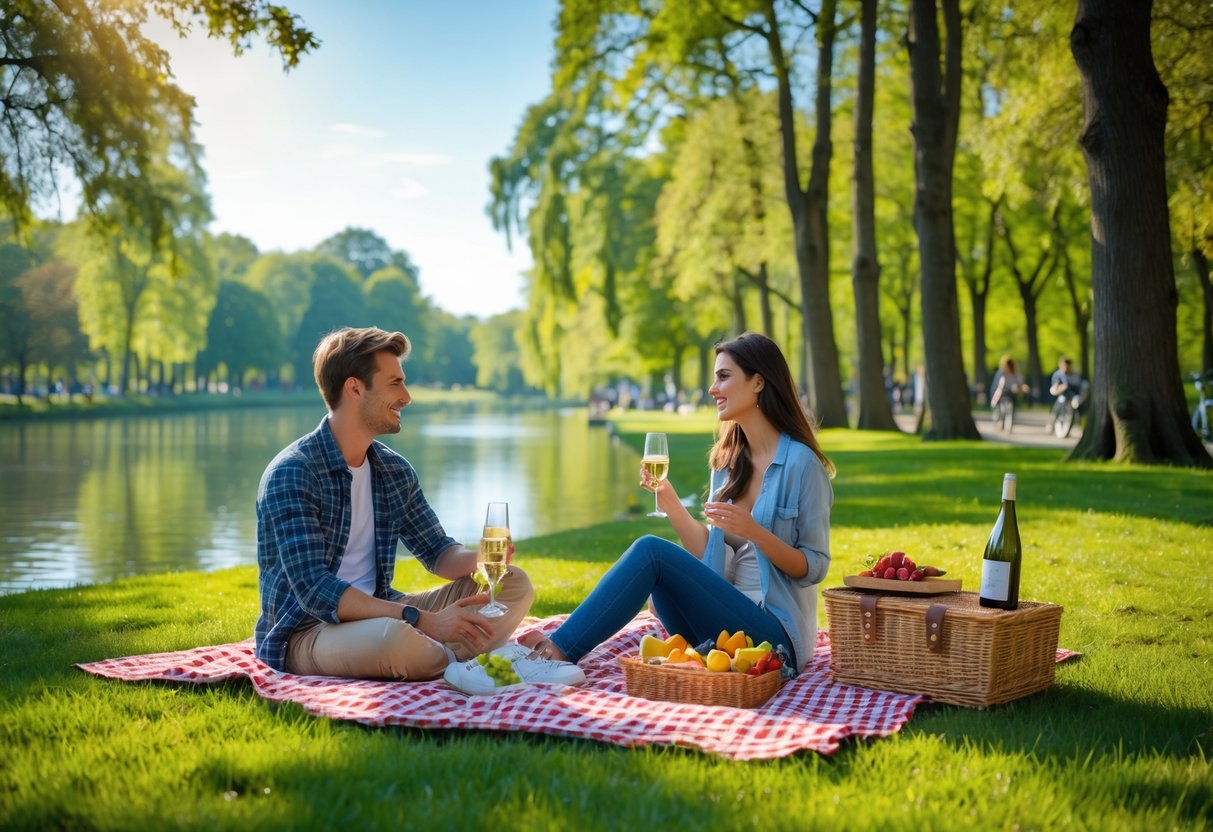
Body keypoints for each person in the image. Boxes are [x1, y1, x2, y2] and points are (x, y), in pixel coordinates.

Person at [521, 332, 834, 675]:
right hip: (722, 635)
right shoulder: (727, 462)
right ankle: (558, 647)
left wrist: (755, 532)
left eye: (723, 376)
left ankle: (557, 653)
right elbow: (710, 558)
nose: (713, 388)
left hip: (774, 641)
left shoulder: (801, 465)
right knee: (657, 570)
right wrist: (670, 501)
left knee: (651, 551)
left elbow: (814, 567)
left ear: (758, 381)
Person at [255, 326, 550, 684]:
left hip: (384, 612)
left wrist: (484, 560)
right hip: (308, 632)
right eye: (395, 383)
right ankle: (468, 660)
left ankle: (447, 659)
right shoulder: (293, 473)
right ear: (354, 388)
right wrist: (424, 621)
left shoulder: (393, 470)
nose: (407, 396)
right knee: (394, 641)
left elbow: (438, 553)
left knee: (514, 584)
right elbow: (315, 590)